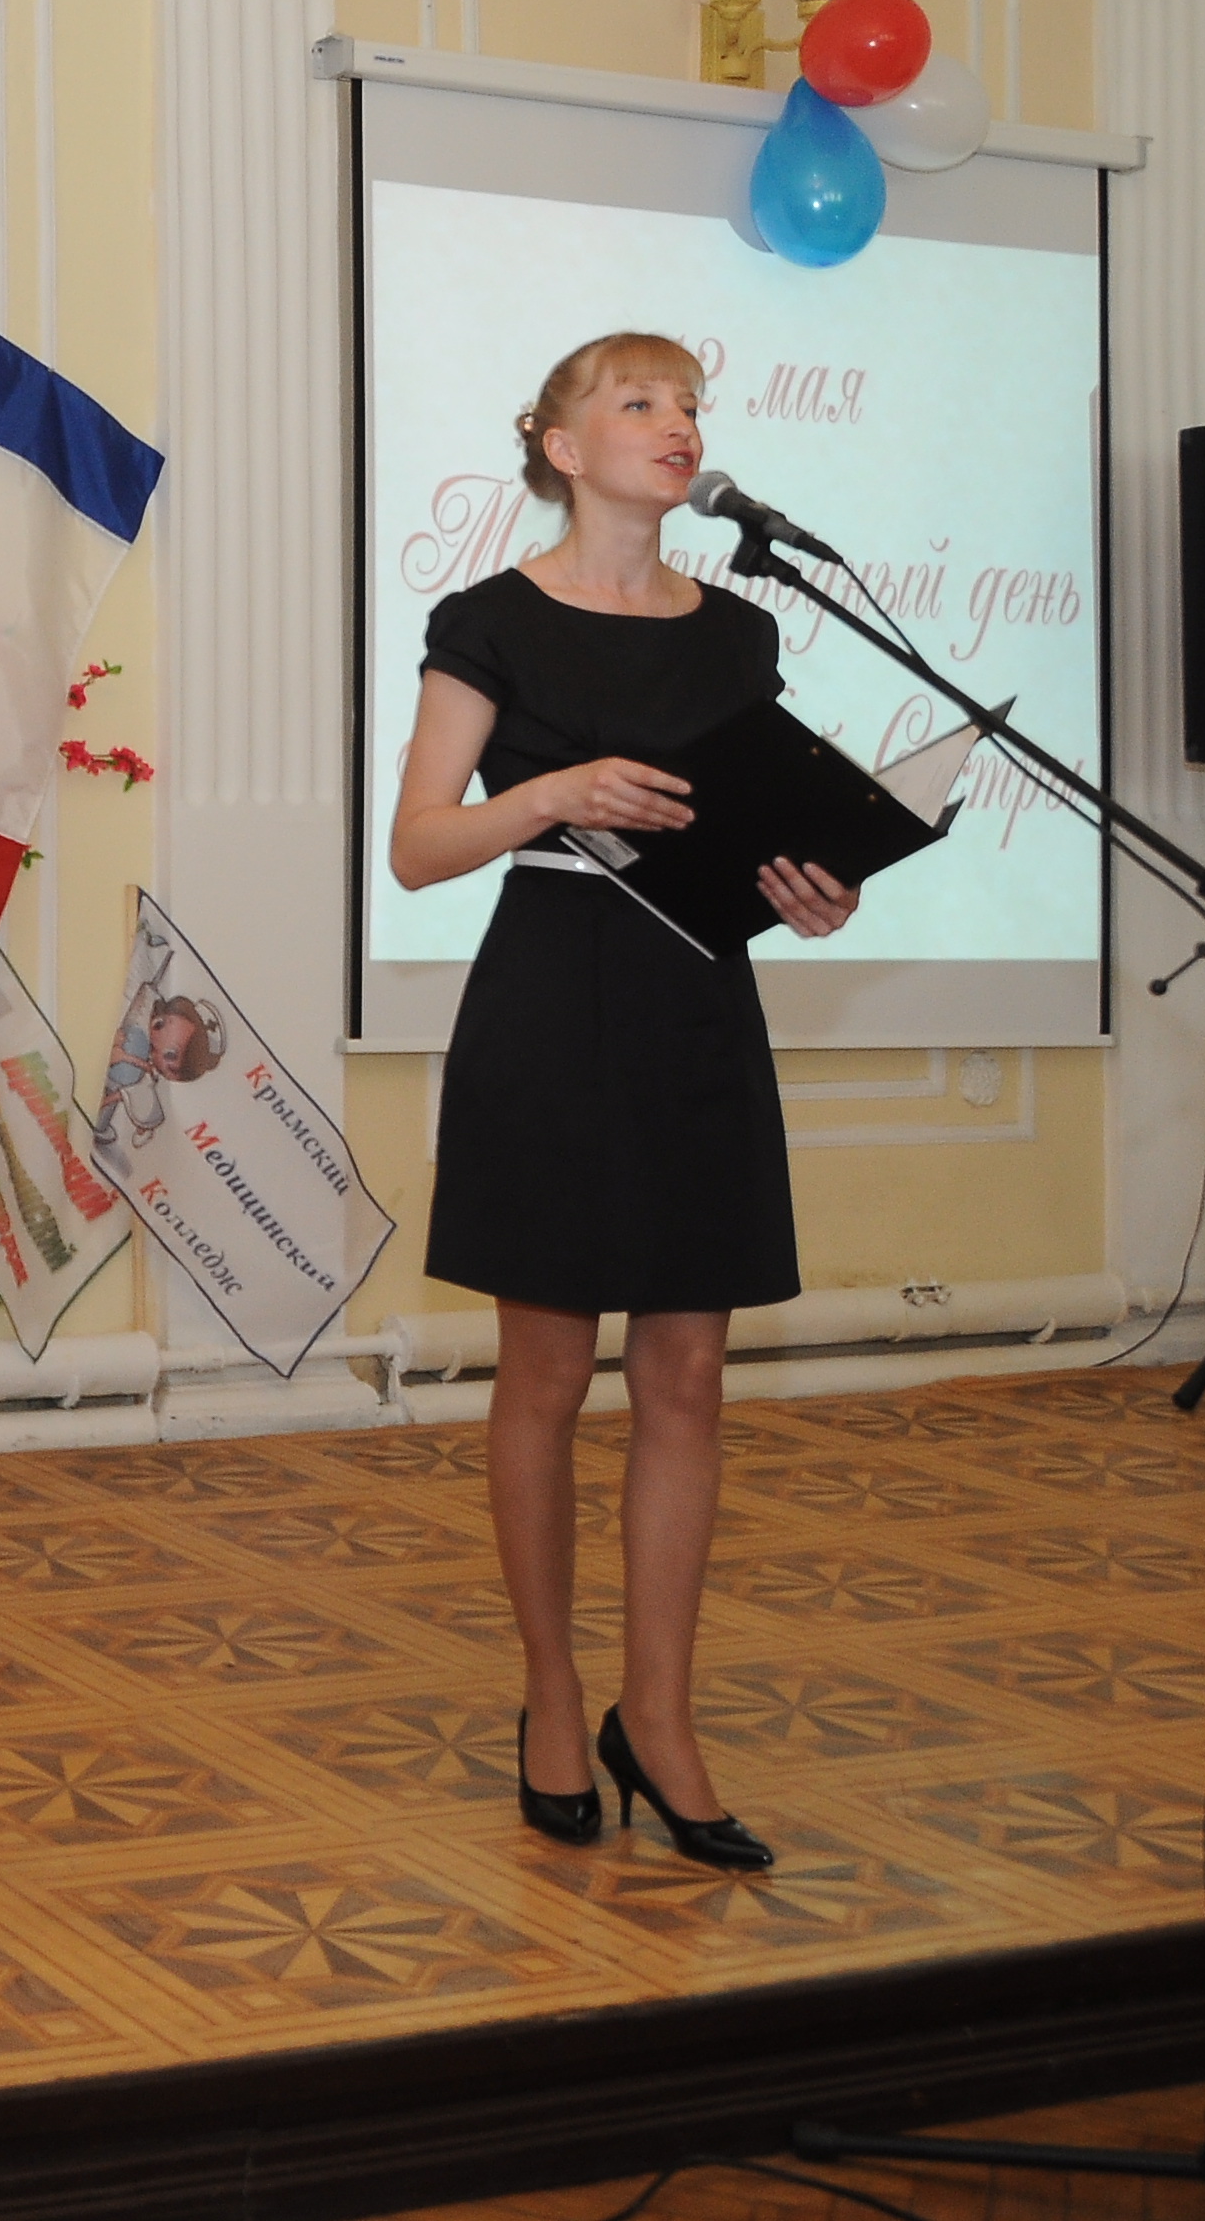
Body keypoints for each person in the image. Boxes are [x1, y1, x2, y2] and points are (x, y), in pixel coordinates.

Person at [387, 333, 854, 1873]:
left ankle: (658, 1718)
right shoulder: (488, 620)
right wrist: (551, 794)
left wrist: (810, 887)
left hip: (695, 997)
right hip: (551, 995)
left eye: (690, 404)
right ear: (563, 446)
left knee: (690, 1376)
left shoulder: (741, 634)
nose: (678, 424)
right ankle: (550, 1690)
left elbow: (747, 834)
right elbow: (419, 845)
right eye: (641, 403)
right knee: (543, 1373)